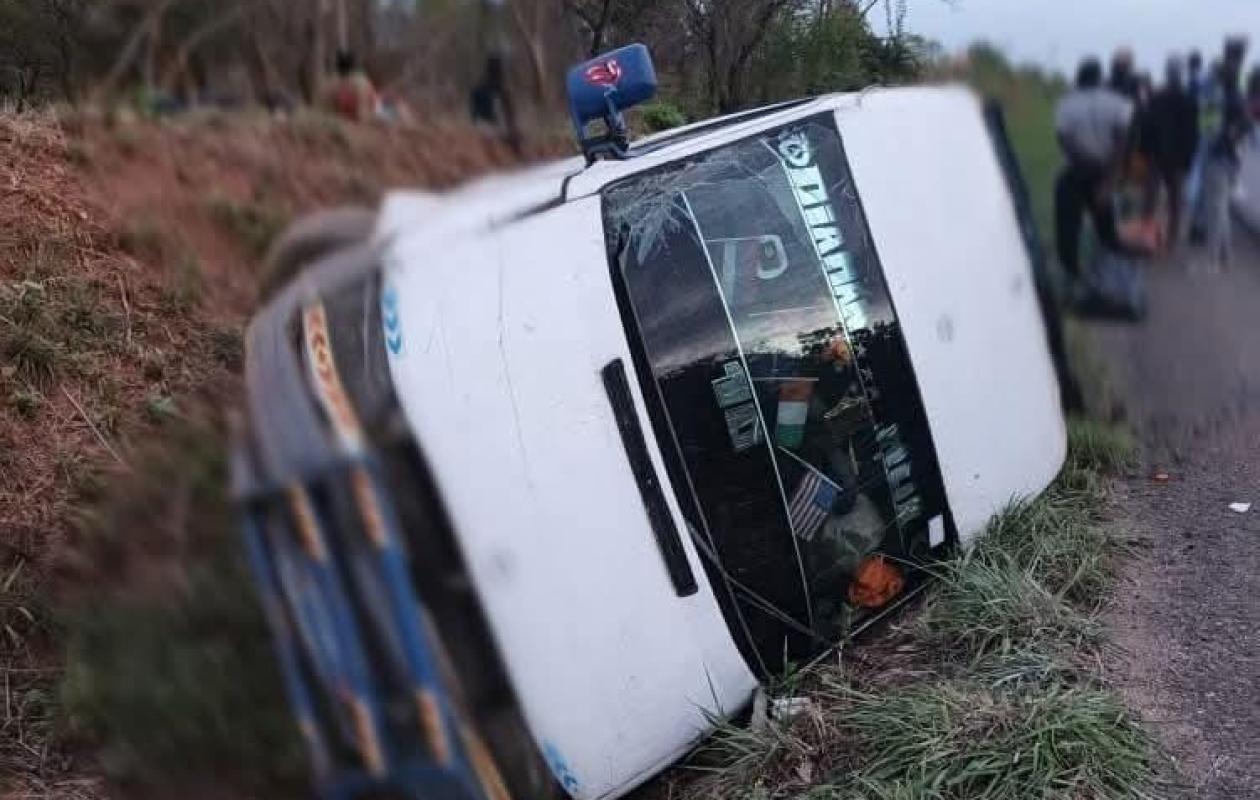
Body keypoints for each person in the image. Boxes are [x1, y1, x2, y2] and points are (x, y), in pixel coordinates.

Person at [1054, 57, 1135, 279]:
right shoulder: (1118, 103)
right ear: (1100, 78)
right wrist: (1109, 181)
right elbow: (1122, 142)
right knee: (1106, 228)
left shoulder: (1066, 104)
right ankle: (1113, 274)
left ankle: (1072, 272)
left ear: (1078, 78)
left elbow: (1064, 139)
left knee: (1067, 228)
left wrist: (1085, 160)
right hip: (1105, 171)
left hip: (1076, 170)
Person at [1148, 57, 1200, 245]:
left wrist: (1146, 151)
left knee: (1152, 200)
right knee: (1175, 202)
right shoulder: (1189, 100)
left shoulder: (1156, 98)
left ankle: (1151, 237)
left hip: (1156, 156)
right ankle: (1171, 240)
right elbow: (1193, 134)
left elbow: (1147, 127)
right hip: (1178, 159)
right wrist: (1189, 158)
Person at [324, 50, 380, 123]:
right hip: (352, 117)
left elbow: (363, 114)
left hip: (361, 116)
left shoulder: (359, 82)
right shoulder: (360, 81)